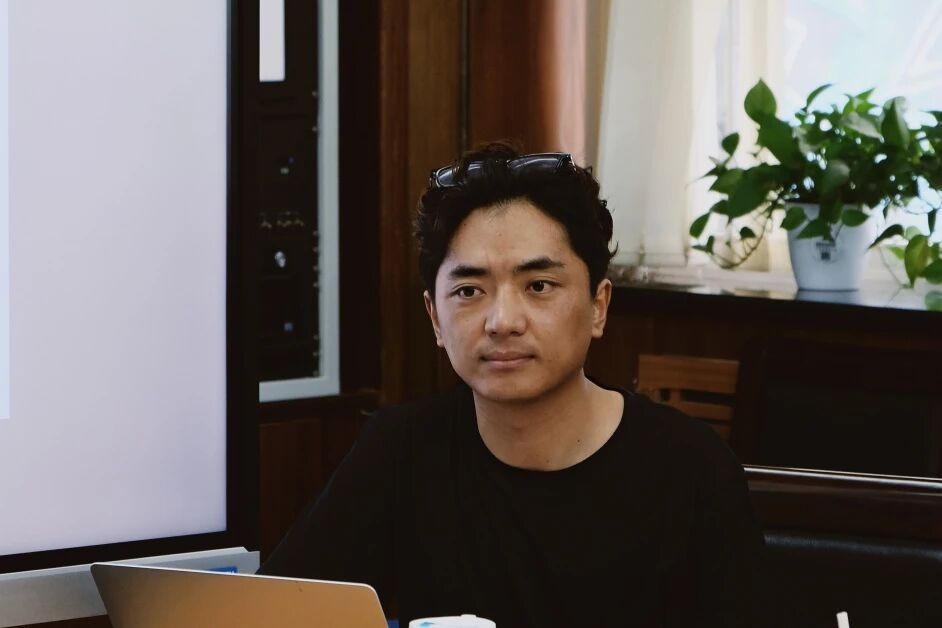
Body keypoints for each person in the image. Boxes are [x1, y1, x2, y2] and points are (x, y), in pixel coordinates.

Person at [259, 143, 768, 627]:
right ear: (435, 318)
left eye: (538, 286)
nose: (502, 321)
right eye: (469, 291)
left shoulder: (692, 471)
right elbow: (272, 611)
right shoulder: (401, 451)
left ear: (598, 305)